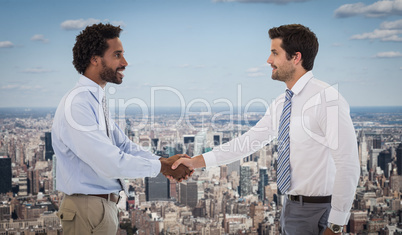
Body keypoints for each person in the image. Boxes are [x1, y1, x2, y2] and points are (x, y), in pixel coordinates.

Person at [171, 24, 360, 235]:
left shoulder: (327, 99)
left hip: (320, 212)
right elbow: (249, 141)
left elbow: (348, 164)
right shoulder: (282, 103)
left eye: (275, 53)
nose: (269, 60)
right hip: (290, 208)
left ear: (296, 57)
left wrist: (335, 225)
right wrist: (196, 161)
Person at [52, 23, 191, 235]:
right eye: (117, 55)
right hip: (87, 210)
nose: (125, 63)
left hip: (97, 210)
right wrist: (161, 167)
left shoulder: (93, 100)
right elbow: (108, 162)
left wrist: (164, 162)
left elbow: (124, 146)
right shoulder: (78, 104)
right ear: (95, 59)